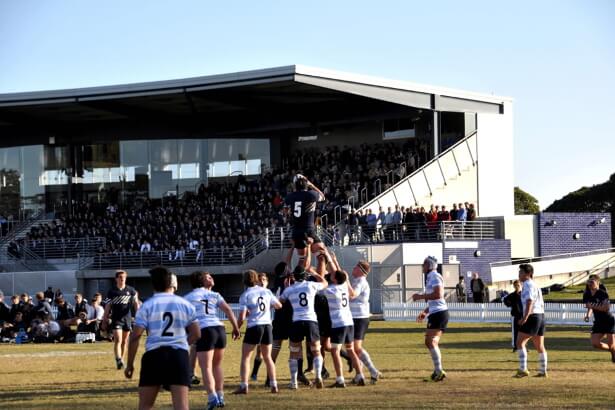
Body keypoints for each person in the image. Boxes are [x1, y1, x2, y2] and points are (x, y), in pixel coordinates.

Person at [124, 266, 200, 410]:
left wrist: (129, 364)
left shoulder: (146, 306)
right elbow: (196, 333)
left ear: (152, 284)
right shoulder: (185, 304)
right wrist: (182, 343)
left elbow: (135, 336)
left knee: (145, 405)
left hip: (154, 356)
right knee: (182, 406)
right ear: (170, 283)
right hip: (178, 356)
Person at [184, 271, 240, 410]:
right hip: (220, 329)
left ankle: (212, 398)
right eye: (208, 277)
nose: (212, 278)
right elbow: (228, 310)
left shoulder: (188, 297)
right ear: (201, 281)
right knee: (217, 366)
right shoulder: (215, 294)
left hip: (205, 330)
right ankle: (220, 397)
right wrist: (235, 327)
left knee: (206, 368)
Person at [233, 270, 282, 394]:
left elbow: (242, 316)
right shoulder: (266, 291)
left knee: (246, 357)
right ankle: (274, 385)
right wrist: (265, 310)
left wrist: (236, 328)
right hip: (267, 326)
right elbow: (278, 305)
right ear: (256, 279)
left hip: (255, 326)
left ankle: (244, 386)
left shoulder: (245, 295)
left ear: (244, 281)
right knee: (268, 357)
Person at [279, 264, 327, 389]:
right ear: (305, 276)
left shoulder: (289, 289)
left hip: (297, 322)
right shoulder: (311, 285)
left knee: (294, 352)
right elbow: (325, 283)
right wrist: (315, 273)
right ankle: (318, 376)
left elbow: (281, 301)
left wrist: (286, 287)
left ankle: (294, 383)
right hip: (311, 321)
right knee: (316, 350)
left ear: (294, 276)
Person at [320, 255, 365, 388]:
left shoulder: (331, 290)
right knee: (350, 350)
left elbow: (321, 284)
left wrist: (317, 271)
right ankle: (360, 375)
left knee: (335, 351)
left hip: (338, 323)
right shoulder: (344, 286)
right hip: (349, 321)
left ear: (334, 279)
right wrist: (332, 260)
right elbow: (339, 275)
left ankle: (340, 379)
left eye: (333, 275)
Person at [412, 256, 449, 382]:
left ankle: (439, 371)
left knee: (430, 342)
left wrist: (420, 296)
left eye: (423, 264)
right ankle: (438, 370)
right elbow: (435, 300)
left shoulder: (434, 276)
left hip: (439, 314)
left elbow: (439, 295)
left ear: (428, 266)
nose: (422, 267)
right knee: (431, 342)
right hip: (436, 313)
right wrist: (425, 312)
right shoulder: (430, 277)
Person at [348, 260, 382, 384]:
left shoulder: (361, 282)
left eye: (356, 266)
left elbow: (353, 295)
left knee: (356, 347)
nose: (353, 268)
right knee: (351, 348)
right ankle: (359, 374)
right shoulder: (357, 281)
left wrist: (345, 281)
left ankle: (373, 371)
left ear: (361, 270)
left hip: (359, 317)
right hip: (354, 317)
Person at [284, 174, 327, 266]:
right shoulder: (311, 194)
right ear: (306, 184)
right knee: (322, 254)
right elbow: (323, 197)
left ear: (295, 185)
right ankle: (322, 276)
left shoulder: (290, 196)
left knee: (302, 258)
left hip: (296, 230)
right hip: (308, 230)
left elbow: (285, 210)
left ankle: (300, 277)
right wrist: (312, 185)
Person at [102, 270, 141, 370]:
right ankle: (118, 359)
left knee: (124, 341)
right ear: (116, 279)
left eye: (124, 277)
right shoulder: (112, 291)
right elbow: (107, 307)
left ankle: (121, 360)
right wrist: (104, 320)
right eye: (120, 277)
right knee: (118, 340)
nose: (122, 278)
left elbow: (136, 304)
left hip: (127, 318)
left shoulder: (131, 290)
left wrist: (139, 316)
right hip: (116, 319)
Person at [514, 263, 548, 378]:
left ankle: (523, 369)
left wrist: (525, 317)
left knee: (519, 342)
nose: (519, 274)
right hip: (540, 316)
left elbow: (529, 301)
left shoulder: (528, 284)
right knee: (540, 346)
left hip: (532, 316)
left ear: (528, 274)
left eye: (521, 272)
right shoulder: (534, 285)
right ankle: (543, 371)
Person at [583, 276, 615, 362]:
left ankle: (613, 352)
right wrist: (588, 315)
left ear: (597, 284)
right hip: (598, 322)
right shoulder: (586, 294)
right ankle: (613, 351)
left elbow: (606, 308)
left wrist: (593, 306)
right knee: (595, 343)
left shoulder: (603, 293)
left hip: (608, 320)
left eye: (592, 282)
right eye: (589, 282)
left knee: (611, 345)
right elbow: (588, 306)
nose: (590, 284)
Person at [503, 280, 523, 352]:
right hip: (515, 316)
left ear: (521, 285)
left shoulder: (523, 294)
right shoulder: (512, 295)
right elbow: (505, 300)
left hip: (523, 316)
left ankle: (523, 346)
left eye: (518, 285)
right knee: (515, 332)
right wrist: (510, 304)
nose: (517, 287)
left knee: (524, 332)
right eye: (515, 285)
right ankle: (515, 346)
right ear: (514, 286)